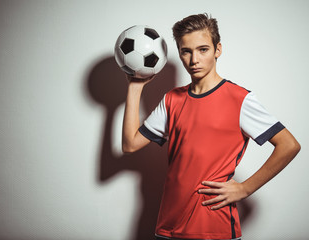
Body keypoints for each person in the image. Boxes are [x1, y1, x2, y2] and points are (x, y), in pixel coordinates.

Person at [121, 13, 301, 240]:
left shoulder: (240, 99)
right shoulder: (172, 100)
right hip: (168, 226)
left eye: (203, 49)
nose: (194, 59)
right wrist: (135, 86)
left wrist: (245, 188)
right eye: (186, 51)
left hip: (214, 228)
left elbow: (289, 145)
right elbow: (130, 144)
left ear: (218, 50)